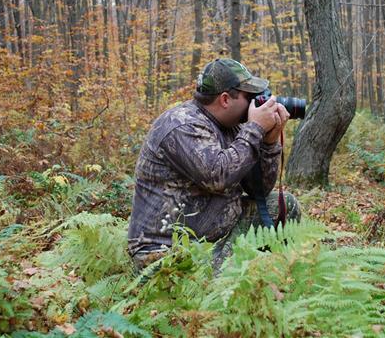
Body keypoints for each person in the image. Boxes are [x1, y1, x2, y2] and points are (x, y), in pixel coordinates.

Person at [127, 58, 301, 271]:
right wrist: (255, 128)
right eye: (250, 97)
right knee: (240, 274)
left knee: (284, 206)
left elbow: (259, 190)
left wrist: (269, 141)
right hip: (168, 252)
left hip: (213, 236)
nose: (255, 104)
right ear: (225, 99)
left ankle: (272, 280)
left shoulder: (230, 127)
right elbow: (218, 177)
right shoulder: (182, 125)